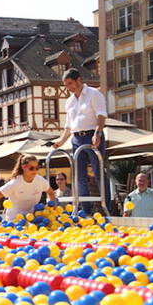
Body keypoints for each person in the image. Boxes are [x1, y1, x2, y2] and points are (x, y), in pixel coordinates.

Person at [53, 68, 111, 214]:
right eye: (66, 85)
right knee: (79, 176)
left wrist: (97, 133)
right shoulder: (69, 101)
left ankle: (107, 208)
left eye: (70, 83)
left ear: (79, 80)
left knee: (99, 173)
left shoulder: (94, 94)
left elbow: (101, 116)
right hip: (76, 138)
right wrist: (61, 141)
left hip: (92, 135)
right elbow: (68, 125)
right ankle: (86, 210)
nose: (68, 88)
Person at [0, 154, 56, 221]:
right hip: (14, 220)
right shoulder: (15, 183)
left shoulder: (40, 180)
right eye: (31, 168)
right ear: (23, 167)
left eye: (37, 168)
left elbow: (51, 192)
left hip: (33, 219)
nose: (35, 171)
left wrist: (52, 209)